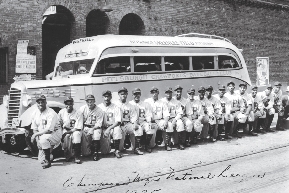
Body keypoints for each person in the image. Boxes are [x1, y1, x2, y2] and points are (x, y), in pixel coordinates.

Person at [30, 95, 61, 169]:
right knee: (41, 160)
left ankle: (48, 162)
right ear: (36, 103)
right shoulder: (35, 113)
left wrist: (36, 135)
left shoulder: (51, 113)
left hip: (55, 133)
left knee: (44, 139)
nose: (40, 104)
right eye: (39, 102)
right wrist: (37, 141)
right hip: (43, 135)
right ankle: (50, 155)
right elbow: (34, 128)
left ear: (46, 102)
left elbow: (49, 130)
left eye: (42, 102)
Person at [75, 94, 104, 161]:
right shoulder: (83, 108)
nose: (89, 103)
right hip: (86, 127)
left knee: (96, 134)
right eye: (88, 101)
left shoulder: (99, 110)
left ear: (94, 101)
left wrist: (92, 129)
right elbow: (78, 117)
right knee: (86, 154)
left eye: (91, 101)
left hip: (95, 127)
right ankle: (90, 148)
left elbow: (99, 123)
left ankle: (95, 153)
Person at [98, 90, 123, 158]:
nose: (106, 98)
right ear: (103, 97)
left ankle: (117, 150)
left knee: (117, 129)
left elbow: (118, 122)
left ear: (111, 97)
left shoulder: (116, 107)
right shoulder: (99, 107)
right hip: (103, 128)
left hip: (113, 127)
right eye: (105, 96)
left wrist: (109, 129)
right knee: (105, 152)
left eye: (108, 96)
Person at [129, 88, 154, 153]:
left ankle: (146, 144)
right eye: (135, 94)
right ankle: (136, 148)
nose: (136, 95)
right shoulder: (129, 104)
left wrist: (149, 122)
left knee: (150, 127)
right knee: (137, 129)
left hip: (143, 122)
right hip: (132, 123)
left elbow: (148, 115)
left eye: (138, 94)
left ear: (140, 94)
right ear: (132, 95)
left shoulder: (145, 104)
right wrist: (134, 123)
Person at [115, 87, 138, 155]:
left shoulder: (130, 105)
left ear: (127, 94)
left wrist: (135, 124)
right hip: (119, 124)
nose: (123, 95)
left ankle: (136, 148)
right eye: (122, 94)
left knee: (137, 129)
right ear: (119, 95)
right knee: (119, 133)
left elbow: (133, 116)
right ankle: (119, 149)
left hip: (128, 123)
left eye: (125, 94)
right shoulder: (115, 104)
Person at [58, 97, 82, 163]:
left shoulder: (78, 112)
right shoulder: (61, 112)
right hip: (66, 129)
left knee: (76, 135)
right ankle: (67, 154)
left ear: (73, 103)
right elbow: (58, 124)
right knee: (66, 137)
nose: (69, 105)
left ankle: (77, 156)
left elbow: (78, 127)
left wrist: (66, 133)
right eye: (67, 103)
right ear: (64, 104)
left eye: (70, 103)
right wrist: (61, 132)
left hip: (75, 129)